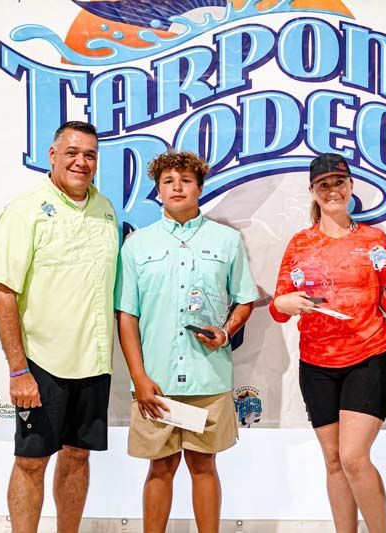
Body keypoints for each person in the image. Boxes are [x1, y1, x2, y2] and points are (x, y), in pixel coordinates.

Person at [269, 153, 386, 533]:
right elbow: (280, 307)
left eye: (339, 182)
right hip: (316, 365)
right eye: (324, 185)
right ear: (313, 192)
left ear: (351, 187)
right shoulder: (299, 244)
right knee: (333, 461)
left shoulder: (373, 240)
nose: (332, 190)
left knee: (353, 457)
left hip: (369, 358)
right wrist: (283, 302)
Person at [0, 121, 118, 533]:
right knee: (31, 461)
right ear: (53, 155)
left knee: (78, 456)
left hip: (94, 362)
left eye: (90, 154)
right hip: (41, 365)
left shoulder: (106, 209)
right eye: (73, 152)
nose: (82, 162)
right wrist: (18, 370)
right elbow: (3, 293)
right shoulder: (25, 211)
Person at [115, 150, 258, 533]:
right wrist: (139, 377)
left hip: (208, 379)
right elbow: (127, 315)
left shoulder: (227, 240)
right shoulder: (136, 246)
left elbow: (245, 299)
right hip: (155, 383)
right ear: (157, 190)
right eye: (168, 181)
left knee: (203, 464)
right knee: (160, 467)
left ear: (200, 187)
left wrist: (226, 331)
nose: (177, 187)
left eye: (185, 181)